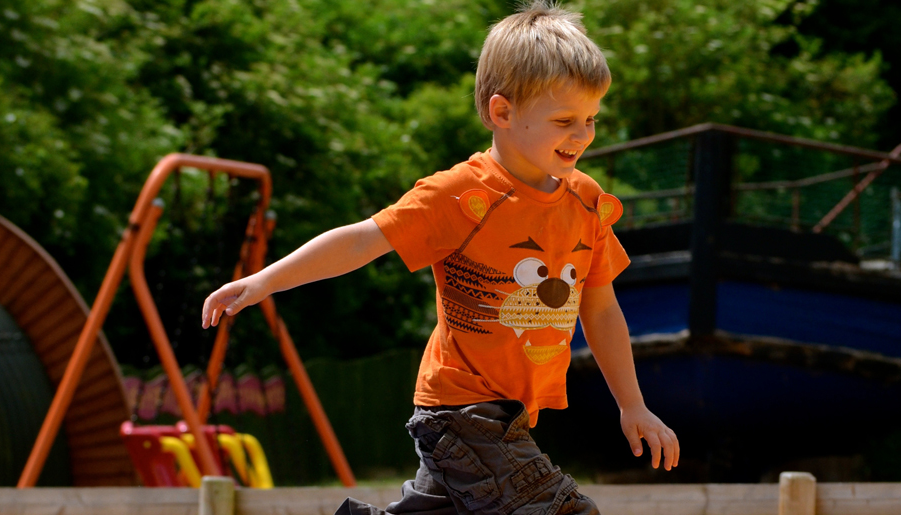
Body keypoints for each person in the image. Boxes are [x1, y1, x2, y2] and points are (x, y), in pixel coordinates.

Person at [201, 1, 679, 513]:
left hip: (505, 413)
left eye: (591, 118)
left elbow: (601, 308)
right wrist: (265, 281)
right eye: (565, 119)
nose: (582, 134)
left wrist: (632, 403)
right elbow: (364, 239)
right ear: (502, 112)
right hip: (463, 410)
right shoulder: (460, 195)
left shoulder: (586, 202)